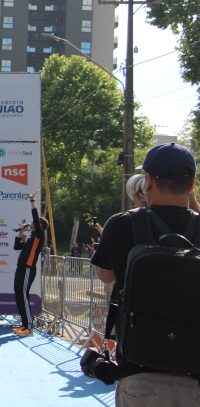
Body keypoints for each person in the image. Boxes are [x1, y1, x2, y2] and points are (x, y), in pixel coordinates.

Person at [91, 143, 200, 405]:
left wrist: (139, 211)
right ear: (192, 184)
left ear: (148, 182)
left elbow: (106, 276)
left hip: (139, 374)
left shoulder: (122, 223)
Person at [12, 190, 45, 336]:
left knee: (23, 294)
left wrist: (32, 201)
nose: (31, 223)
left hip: (28, 268)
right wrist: (20, 232)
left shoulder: (39, 235)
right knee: (18, 293)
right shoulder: (31, 238)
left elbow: (36, 219)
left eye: (33, 223)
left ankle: (29, 327)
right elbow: (16, 247)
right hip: (21, 267)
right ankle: (24, 324)